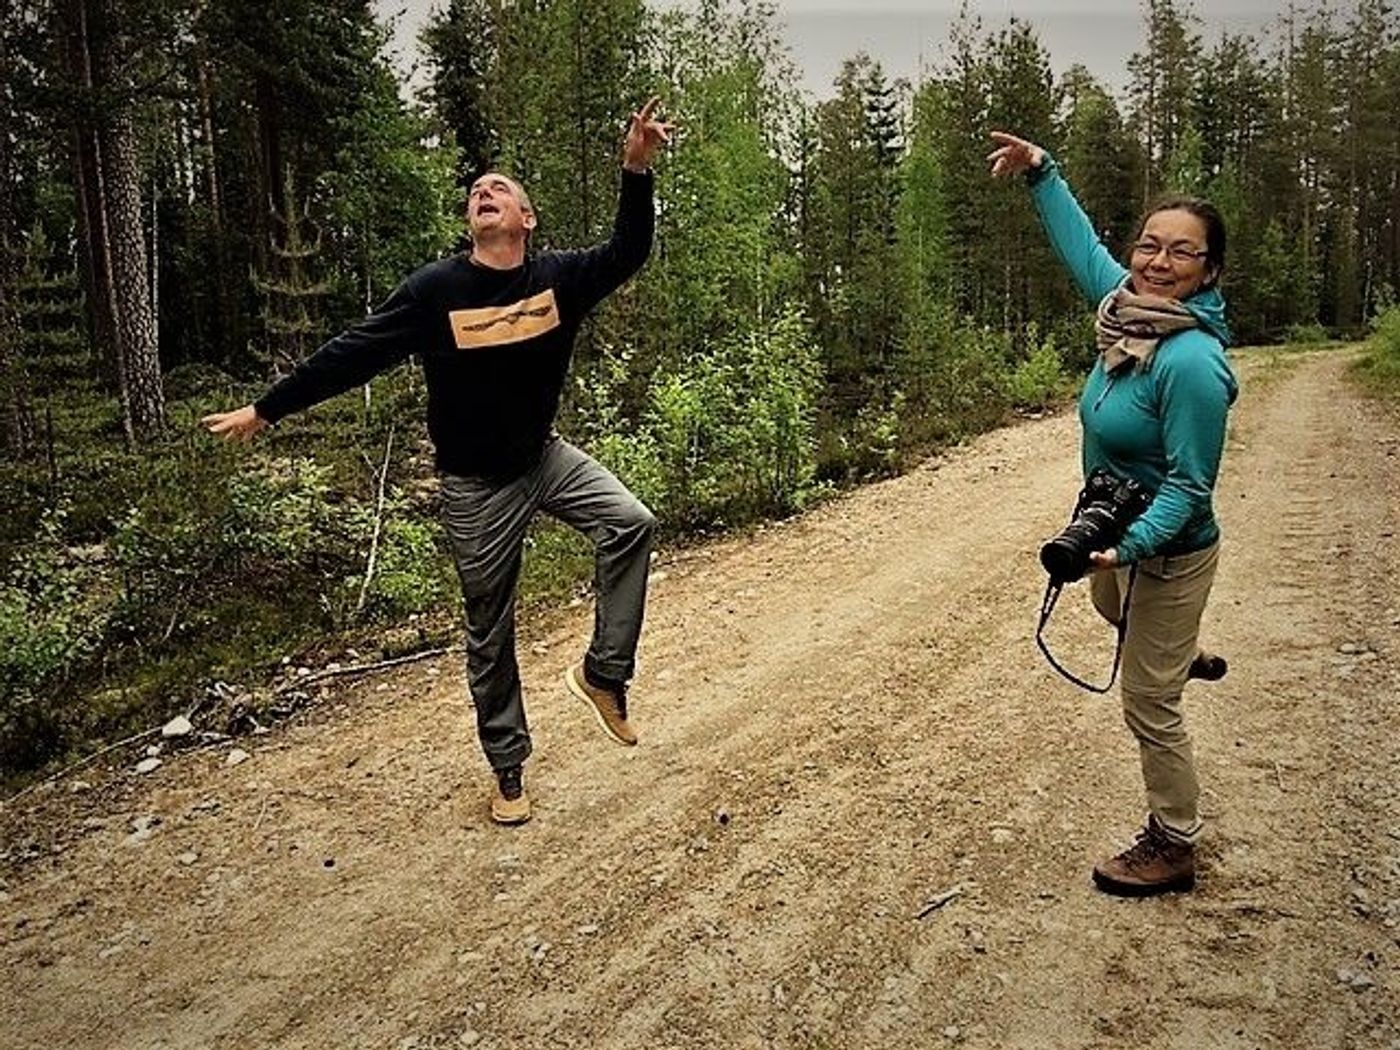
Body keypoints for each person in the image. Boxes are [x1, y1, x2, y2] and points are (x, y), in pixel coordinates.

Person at [204, 99, 675, 827]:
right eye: (474, 194)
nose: (483, 195)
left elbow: (628, 252)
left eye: (499, 190)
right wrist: (268, 409)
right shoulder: (436, 293)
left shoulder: (558, 279)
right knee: (491, 627)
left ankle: (603, 675)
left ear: (528, 218)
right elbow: (351, 353)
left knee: (630, 522)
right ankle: (508, 767)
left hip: (543, 458)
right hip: (474, 487)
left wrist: (635, 170)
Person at [988, 130, 1239, 896]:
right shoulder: (1125, 312)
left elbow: (1190, 488)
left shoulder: (1191, 362)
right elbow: (1080, 250)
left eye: (1181, 253)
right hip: (1119, 539)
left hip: (1168, 546)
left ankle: (1175, 841)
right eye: (1149, 246)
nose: (1158, 262)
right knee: (1108, 607)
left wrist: (1129, 548)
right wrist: (1041, 173)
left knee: (1148, 703)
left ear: (1210, 272)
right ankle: (1175, 650)